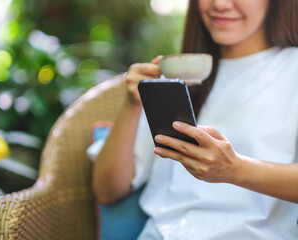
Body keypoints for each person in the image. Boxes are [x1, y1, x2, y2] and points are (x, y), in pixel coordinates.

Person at [91, 0, 298, 239]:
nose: (219, 4)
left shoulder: (291, 69)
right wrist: (132, 104)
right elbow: (107, 191)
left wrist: (235, 170)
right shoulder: (178, 77)